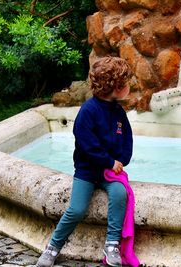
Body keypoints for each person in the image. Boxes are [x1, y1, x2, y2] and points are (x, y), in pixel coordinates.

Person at [36, 56, 134, 267]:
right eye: (126, 84)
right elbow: (86, 144)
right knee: (77, 209)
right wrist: (108, 161)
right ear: (116, 87)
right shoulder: (88, 111)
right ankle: (53, 247)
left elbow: (127, 137)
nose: (129, 87)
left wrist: (122, 159)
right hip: (88, 171)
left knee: (119, 193)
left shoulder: (118, 112)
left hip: (110, 172)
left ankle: (112, 244)